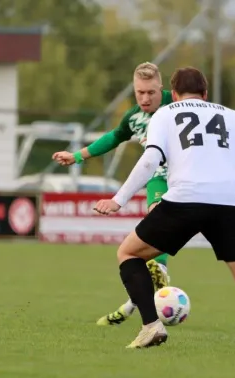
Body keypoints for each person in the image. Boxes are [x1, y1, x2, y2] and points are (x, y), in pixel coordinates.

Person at [94, 66, 235, 355]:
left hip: (185, 199)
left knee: (128, 253)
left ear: (173, 95)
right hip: (229, 204)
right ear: (205, 94)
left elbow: (151, 158)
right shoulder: (232, 116)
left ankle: (151, 326)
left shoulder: (166, 113)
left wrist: (119, 199)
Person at [52, 62, 174, 326]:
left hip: (188, 178)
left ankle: (135, 302)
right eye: (139, 92)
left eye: (151, 92)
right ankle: (158, 276)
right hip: (158, 179)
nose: (144, 98)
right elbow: (114, 137)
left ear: (161, 89)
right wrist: (76, 156)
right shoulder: (133, 117)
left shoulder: (176, 102)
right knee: (155, 223)